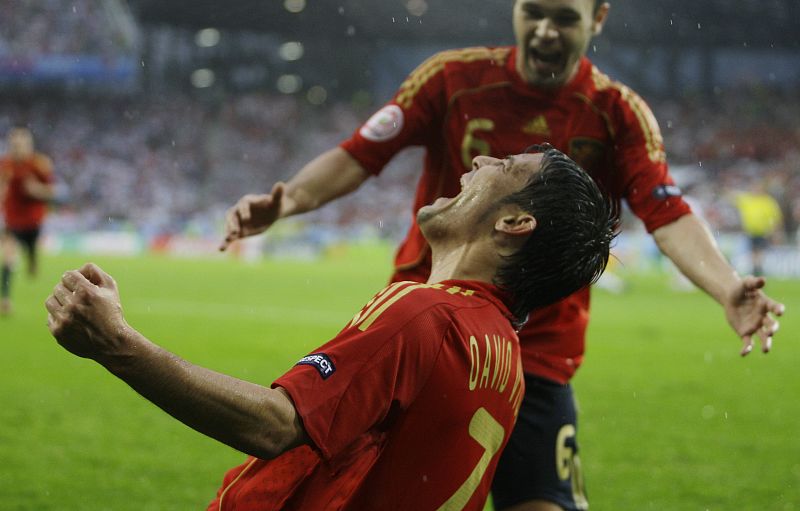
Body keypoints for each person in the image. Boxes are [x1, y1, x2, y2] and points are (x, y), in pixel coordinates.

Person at [220, 1, 786, 509]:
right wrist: (290, 199)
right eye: (532, 12)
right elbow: (362, 153)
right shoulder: (452, 78)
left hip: (534, 352)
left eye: (564, 17)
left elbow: (664, 210)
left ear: (598, 19)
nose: (544, 29)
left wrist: (726, 286)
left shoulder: (616, 112)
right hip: (424, 333)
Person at [47, 147, 617, 510]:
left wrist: (116, 343)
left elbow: (275, 425)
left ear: (515, 222)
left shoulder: (424, 313)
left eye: (505, 167)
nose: (479, 163)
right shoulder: (507, 360)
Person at [0, 126, 55, 315]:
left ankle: (32, 258)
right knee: (8, 257)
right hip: (12, 221)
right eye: (13, 144)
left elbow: (51, 192)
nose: (16, 148)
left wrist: (35, 189)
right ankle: (5, 300)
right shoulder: (4, 164)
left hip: (33, 222)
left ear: (28, 145)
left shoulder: (39, 164)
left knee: (31, 259)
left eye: (20, 144)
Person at [733, 181, 784, 276]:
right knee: (753, 250)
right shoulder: (747, 200)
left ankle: (757, 269)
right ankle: (756, 268)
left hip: (763, 231)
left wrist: (774, 231)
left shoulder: (768, 201)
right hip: (750, 231)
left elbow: (776, 217)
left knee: (758, 250)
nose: (755, 190)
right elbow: (735, 197)